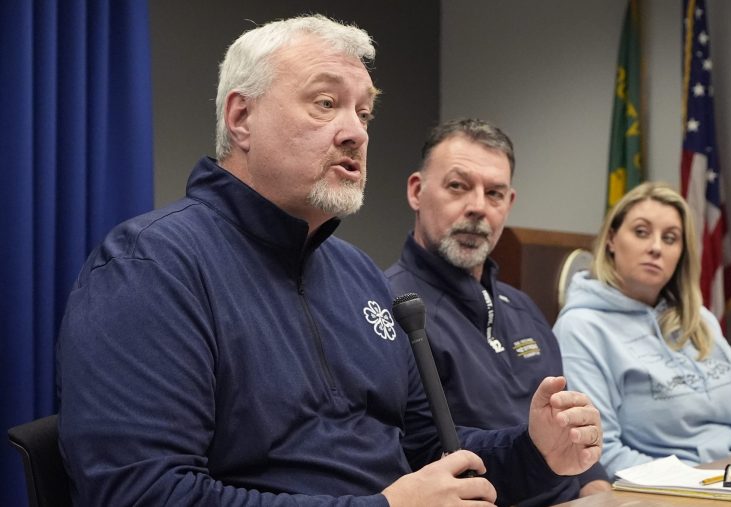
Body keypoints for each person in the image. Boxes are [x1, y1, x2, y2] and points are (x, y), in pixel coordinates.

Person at [56, 15, 602, 506]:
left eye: (364, 112)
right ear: (241, 116)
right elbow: (141, 493)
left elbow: (432, 449)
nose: (356, 132)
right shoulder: (149, 265)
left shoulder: (358, 274)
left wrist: (535, 451)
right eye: (326, 103)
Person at [385, 118, 612, 504]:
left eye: (494, 193)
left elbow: (568, 427)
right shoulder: (391, 307)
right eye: (458, 186)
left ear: (509, 205)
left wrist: (599, 491)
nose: (477, 207)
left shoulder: (523, 306)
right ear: (417, 191)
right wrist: (540, 447)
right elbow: (425, 453)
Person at [553, 181, 731, 478]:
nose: (656, 247)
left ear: (681, 254)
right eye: (641, 232)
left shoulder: (698, 319)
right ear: (611, 240)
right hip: (664, 492)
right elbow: (601, 450)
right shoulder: (581, 328)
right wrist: (694, 482)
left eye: (671, 238)